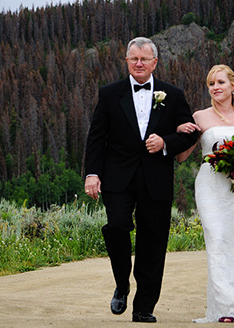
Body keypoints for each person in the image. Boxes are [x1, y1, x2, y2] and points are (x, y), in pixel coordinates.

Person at [84, 37, 199, 323]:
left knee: (153, 241)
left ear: (154, 62)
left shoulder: (172, 95)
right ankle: (122, 283)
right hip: (117, 178)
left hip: (156, 180)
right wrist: (92, 174)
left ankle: (144, 306)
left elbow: (191, 132)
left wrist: (166, 142)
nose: (138, 63)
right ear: (126, 61)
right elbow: (97, 137)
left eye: (144, 59)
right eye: (133, 59)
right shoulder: (110, 94)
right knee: (117, 226)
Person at [176, 64, 234, 324]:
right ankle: (228, 307)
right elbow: (181, 157)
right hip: (209, 186)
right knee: (216, 238)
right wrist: (181, 133)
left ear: (232, 86)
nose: (215, 88)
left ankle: (233, 303)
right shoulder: (200, 116)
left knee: (232, 244)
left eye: (220, 83)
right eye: (211, 84)